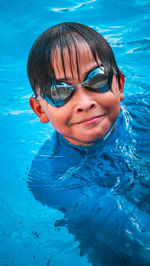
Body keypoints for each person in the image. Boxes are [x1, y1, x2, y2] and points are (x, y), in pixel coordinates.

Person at [27, 22, 150, 265]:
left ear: (119, 84)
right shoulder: (54, 177)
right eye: (59, 93)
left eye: (97, 79)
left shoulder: (145, 111)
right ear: (40, 109)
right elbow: (137, 237)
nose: (84, 102)